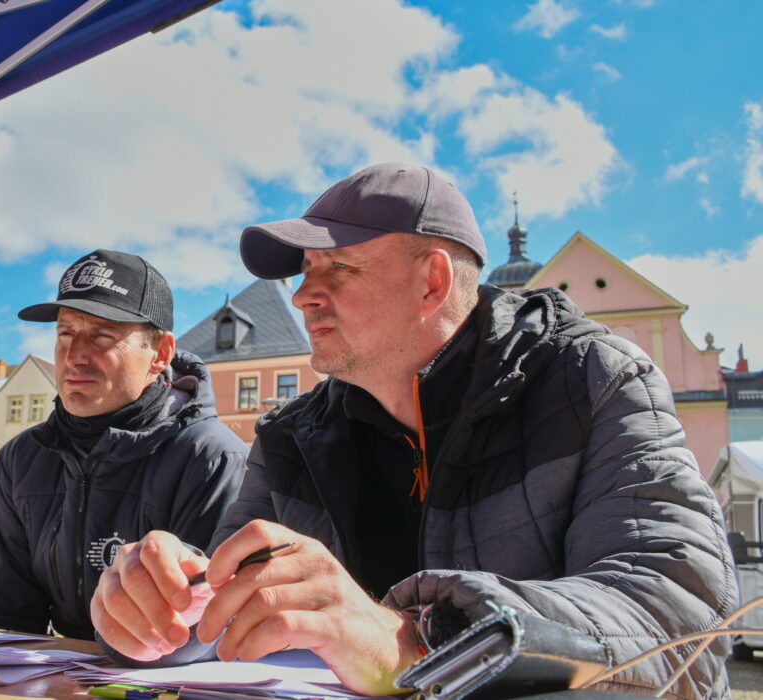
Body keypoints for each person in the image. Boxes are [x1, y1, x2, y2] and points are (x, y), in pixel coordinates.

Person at [90, 164, 737, 697]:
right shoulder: (292, 438)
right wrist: (156, 620)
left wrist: (405, 645)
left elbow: (678, 631)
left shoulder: (592, 380)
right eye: (303, 272)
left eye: (335, 268)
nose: (301, 297)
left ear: (433, 281)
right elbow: (218, 620)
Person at [0, 249, 248, 640]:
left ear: (160, 354)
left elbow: (204, 631)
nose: (75, 355)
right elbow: (3, 613)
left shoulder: (214, 460)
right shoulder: (21, 459)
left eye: (102, 335)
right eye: (65, 332)